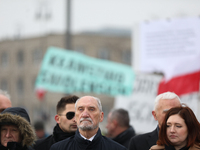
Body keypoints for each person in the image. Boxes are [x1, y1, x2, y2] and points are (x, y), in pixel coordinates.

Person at [50, 96, 127, 150]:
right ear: (75, 117)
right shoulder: (58, 148)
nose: (85, 114)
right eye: (81, 109)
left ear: (101, 116)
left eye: (91, 109)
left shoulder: (117, 148)